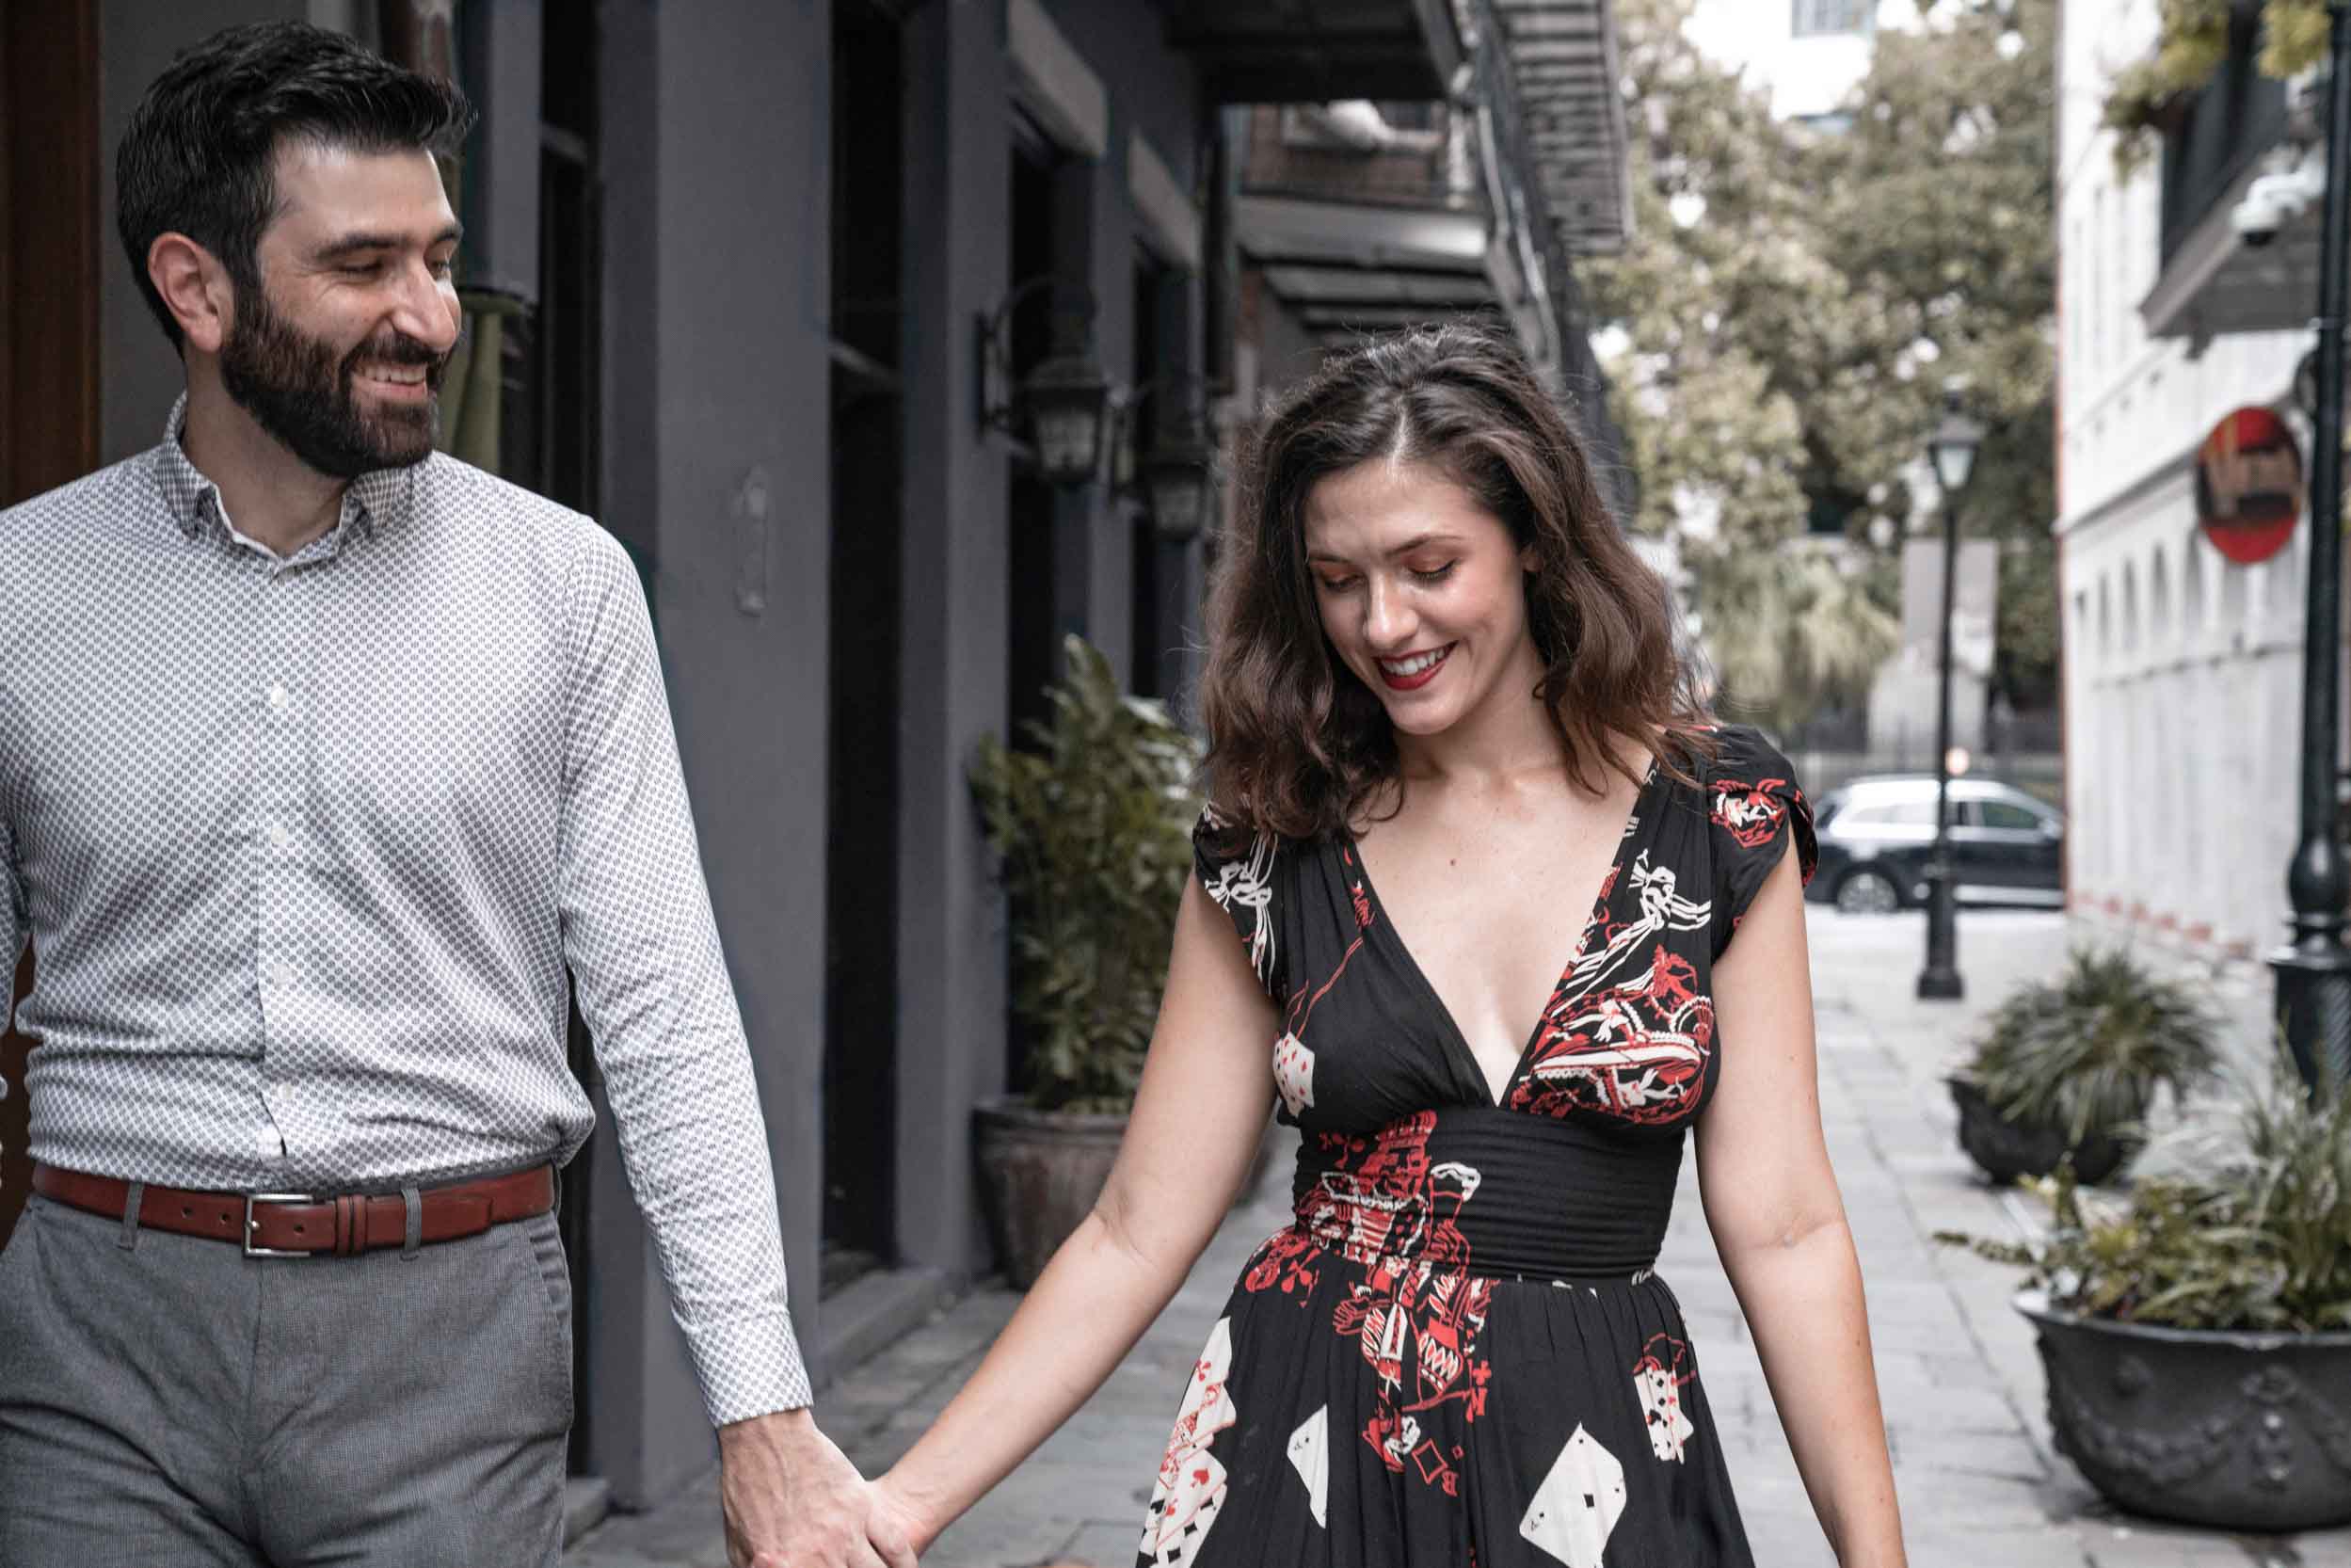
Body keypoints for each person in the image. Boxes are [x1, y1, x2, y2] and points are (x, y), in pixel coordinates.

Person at [0, 24, 902, 1568]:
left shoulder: (563, 591)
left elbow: (665, 1013)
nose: (432, 314)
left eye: (440, 255)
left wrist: (761, 1416)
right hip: (100, 1344)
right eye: (364, 266)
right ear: (196, 288)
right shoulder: (25, 591)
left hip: (453, 1341)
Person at [852, 325, 1908, 1566]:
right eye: (1337, 578)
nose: (1382, 621)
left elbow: (1785, 1227)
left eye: (1427, 564)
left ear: (1530, 542)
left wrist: (1872, 1558)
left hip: (1600, 1461)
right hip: (1312, 1448)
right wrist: (898, 1507)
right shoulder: (1270, 836)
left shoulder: (1717, 813)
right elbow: (1136, 1225)